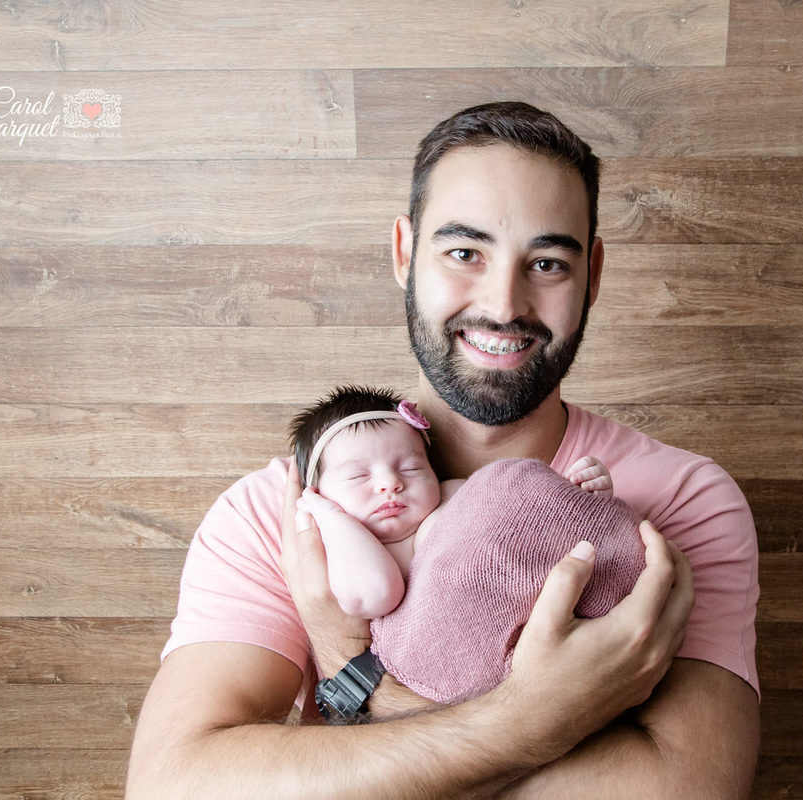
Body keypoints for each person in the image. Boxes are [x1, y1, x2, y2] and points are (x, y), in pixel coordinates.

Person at [127, 101, 760, 797]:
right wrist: (532, 721)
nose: (504, 304)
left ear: (594, 276)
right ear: (404, 253)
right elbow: (172, 785)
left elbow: (689, 789)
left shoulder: (683, 500)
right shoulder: (282, 517)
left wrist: (353, 672)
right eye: (465, 253)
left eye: (547, 263)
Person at [289, 383, 644, 703]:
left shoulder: (455, 494)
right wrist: (329, 517)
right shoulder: (343, 549)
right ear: (317, 493)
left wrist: (574, 495)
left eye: (411, 467)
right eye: (358, 476)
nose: (390, 483)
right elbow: (377, 593)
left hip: (549, 613)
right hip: (461, 672)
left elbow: (528, 525)